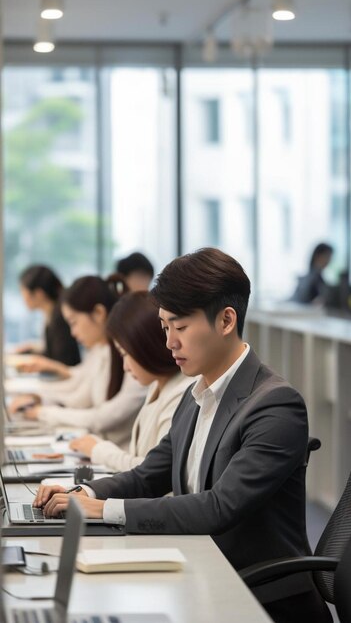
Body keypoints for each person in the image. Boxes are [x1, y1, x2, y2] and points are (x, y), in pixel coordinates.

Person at [34, 248, 332, 623]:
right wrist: (86, 494)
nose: (169, 342)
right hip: (203, 577)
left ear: (226, 321)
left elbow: (219, 506)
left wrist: (104, 510)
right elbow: (149, 474)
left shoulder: (275, 406)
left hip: (260, 601)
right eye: (164, 327)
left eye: (181, 327)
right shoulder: (196, 395)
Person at [10, 275, 146, 446]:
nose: (73, 333)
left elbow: (101, 417)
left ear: (98, 313)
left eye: (74, 323)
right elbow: (80, 391)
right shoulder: (101, 350)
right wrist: (39, 397)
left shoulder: (132, 359)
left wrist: (42, 410)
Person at [69, 291, 194, 471]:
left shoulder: (181, 394)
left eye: (126, 355)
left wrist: (99, 450)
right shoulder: (157, 385)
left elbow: (151, 472)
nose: (126, 367)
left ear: (147, 346)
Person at [15, 264, 81, 368]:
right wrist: (33, 349)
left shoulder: (60, 317)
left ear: (39, 293)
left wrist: (36, 360)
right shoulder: (51, 313)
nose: (23, 298)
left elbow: (64, 361)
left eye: (23, 292)